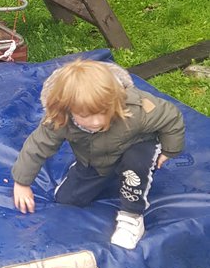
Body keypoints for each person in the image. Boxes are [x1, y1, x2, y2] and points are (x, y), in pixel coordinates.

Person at [11, 58, 185, 249]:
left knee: (134, 167)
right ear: (67, 108)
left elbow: (171, 116)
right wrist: (22, 182)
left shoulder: (135, 109)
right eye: (86, 116)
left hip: (137, 148)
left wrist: (170, 149)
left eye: (103, 112)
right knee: (67, 200)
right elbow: (37, 146)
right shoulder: (60, 119)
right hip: (97, 160)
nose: (96, 122)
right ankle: (107, 176)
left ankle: (132, 216)